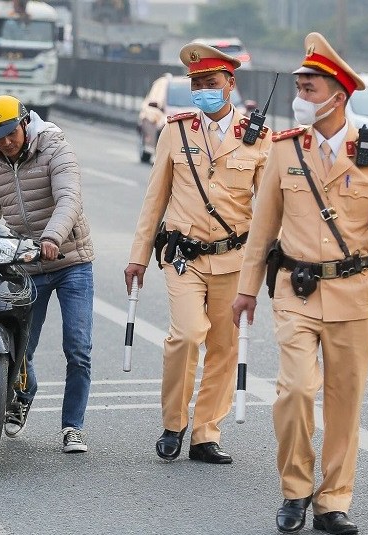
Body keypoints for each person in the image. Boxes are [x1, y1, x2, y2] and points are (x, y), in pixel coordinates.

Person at [232, 32, 368, 534]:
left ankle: (332, 501)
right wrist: (247, 288)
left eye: (309, 87)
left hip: (355, 295)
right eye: (298, 85)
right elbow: (262, 226)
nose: (300, 96)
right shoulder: (284, 148)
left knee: (343, 402)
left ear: (339, 96)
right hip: (295, 290)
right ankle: (295, 490)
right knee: (294, 391)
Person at [124, 43, 271, 464]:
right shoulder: (176, 130)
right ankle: (174, 423)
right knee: (187, 335)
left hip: (234, 258)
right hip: (183, 256)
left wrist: (267, 265)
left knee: (225, 348)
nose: (203, 90)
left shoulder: (259, 137)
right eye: (196, 84)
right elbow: (155, 198)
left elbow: (269, 209)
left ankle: (206, 432)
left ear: (230, 84)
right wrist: (138, 256)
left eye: (210, 83)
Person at [0, 95, 94, 454]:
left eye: (11, 132)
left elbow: (69, 199)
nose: (6, 142)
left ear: (24, 123)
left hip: (71, 261)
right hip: (27, 265)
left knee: (78, 348)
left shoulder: (56, 149)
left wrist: (52, 238)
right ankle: (23, 393)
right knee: (21, 346)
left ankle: (73, 426)